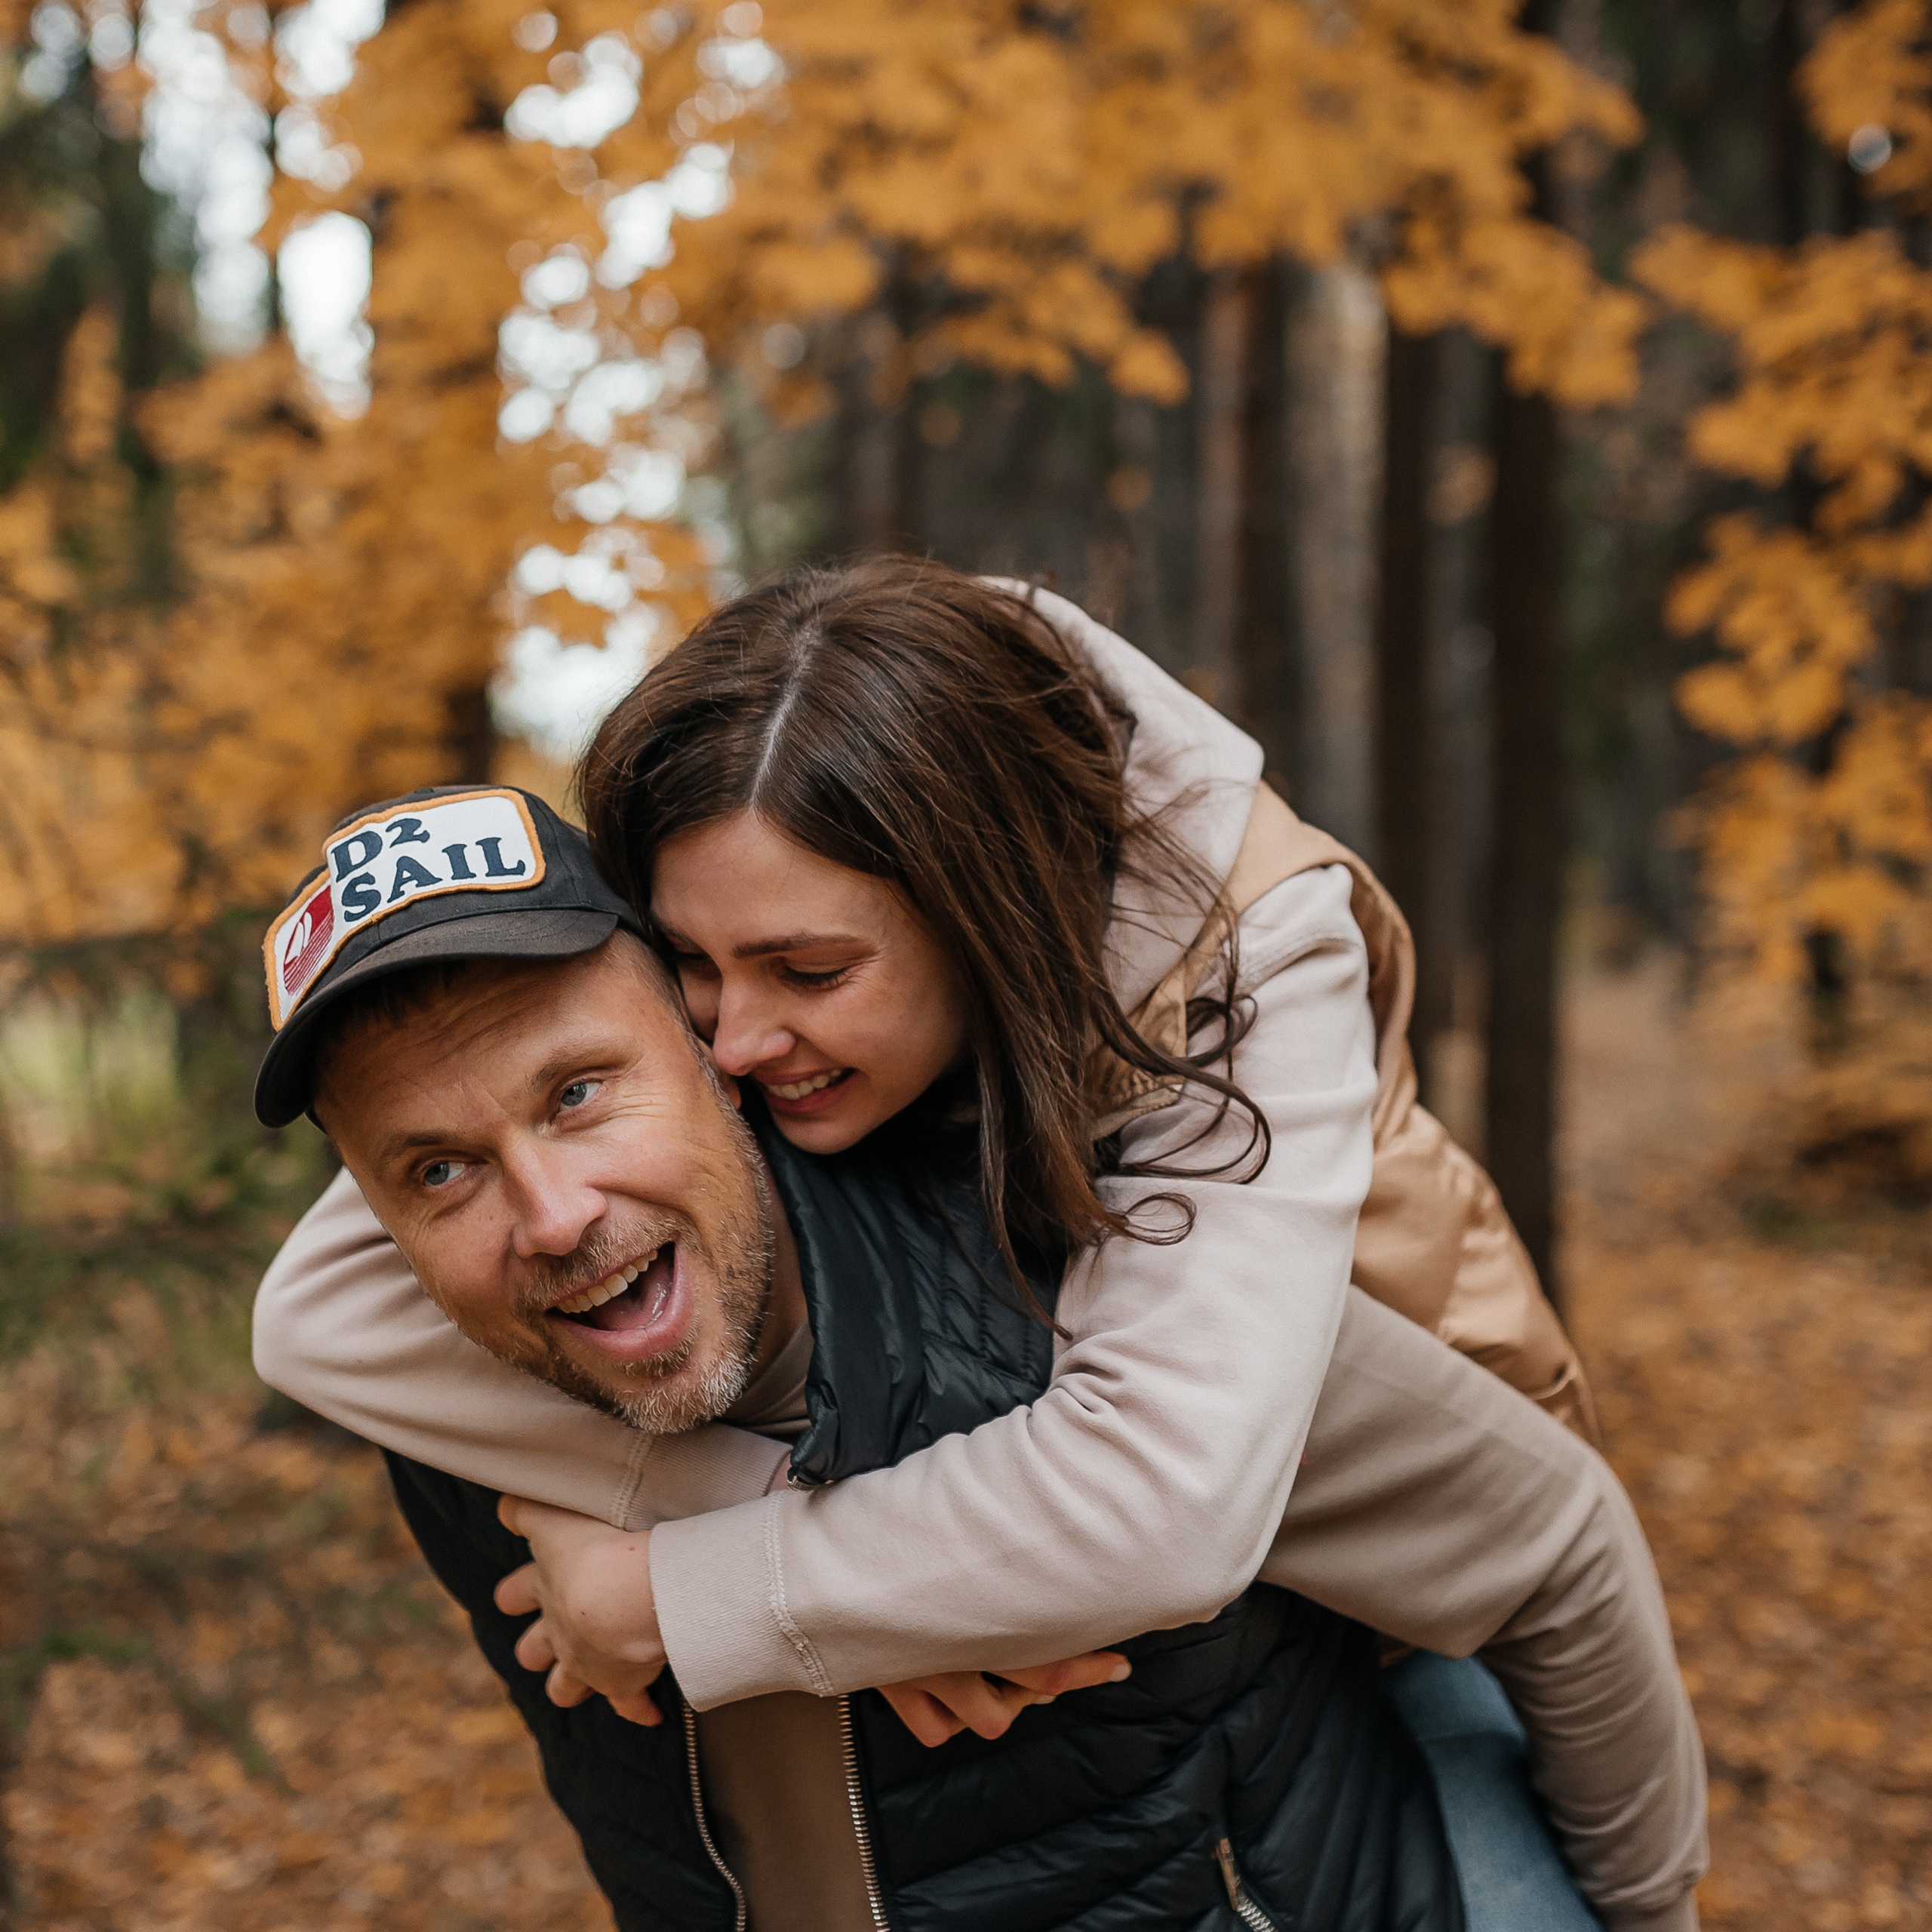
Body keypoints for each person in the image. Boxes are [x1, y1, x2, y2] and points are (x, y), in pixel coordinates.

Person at [253, 565, 1703, 1924]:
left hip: (1422, 1579)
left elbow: (1200, 1507)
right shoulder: (758, 867)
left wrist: (683, 1594)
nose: (741, 1039)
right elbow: (315, 1308)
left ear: (982, 921)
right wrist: (817, 1546)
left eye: (812, 973)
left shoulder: (1219, 1019)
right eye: (693, 972)